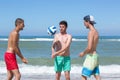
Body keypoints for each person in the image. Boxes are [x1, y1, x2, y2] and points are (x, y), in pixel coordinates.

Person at [79, 15, 101, 80]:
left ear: (88, 22)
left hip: (91, 57)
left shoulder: (91, 32)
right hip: (95, 56)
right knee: (96, 75)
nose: (84, 24)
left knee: (83, 75)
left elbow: (89, 47)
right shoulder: (96, 32)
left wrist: (83, 53)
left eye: (84, 22)